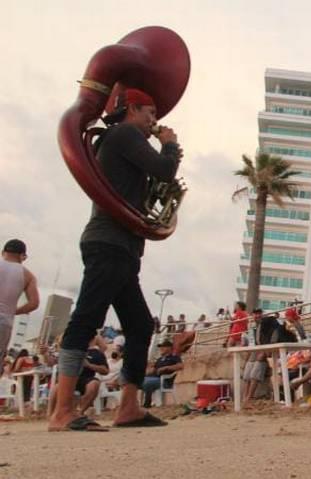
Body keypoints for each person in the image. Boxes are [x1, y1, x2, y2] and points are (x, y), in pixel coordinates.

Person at [48, 88, 182, 431]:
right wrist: (169, 144)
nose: (155, 120)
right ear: (132, 109)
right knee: (85, 319)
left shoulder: (120, 139)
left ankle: (128, 407)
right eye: (150, 112)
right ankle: (62, 411)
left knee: (139, 324)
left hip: (122, 245)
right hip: (110, 242)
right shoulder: (123, 133)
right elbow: (164, 169)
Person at [0, 239, 40, 359]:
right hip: (4, 323)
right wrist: (13, 311)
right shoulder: (28, 275)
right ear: (23, 256)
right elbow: (34, 303)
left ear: (3, 252)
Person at [142, 340, 183, 408]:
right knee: (138, 380)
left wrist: (166, 368)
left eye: (163, 347)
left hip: (165, 381)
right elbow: (154, 370)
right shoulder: (159, 359)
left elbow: (180, 366)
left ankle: (147, 403)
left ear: (169, 348)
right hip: (155, 378)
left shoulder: (174, 357)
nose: (161, 348)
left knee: (147, 382)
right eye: (160, 347)